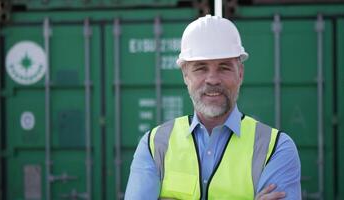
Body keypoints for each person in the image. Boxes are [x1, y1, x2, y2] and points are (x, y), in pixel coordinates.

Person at [125, 15, 301, 200]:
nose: (213, 79)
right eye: (200, 68)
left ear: (240, 74)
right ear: (186, 75)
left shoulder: (276, 148)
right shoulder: (154, 144)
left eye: (224, 68)